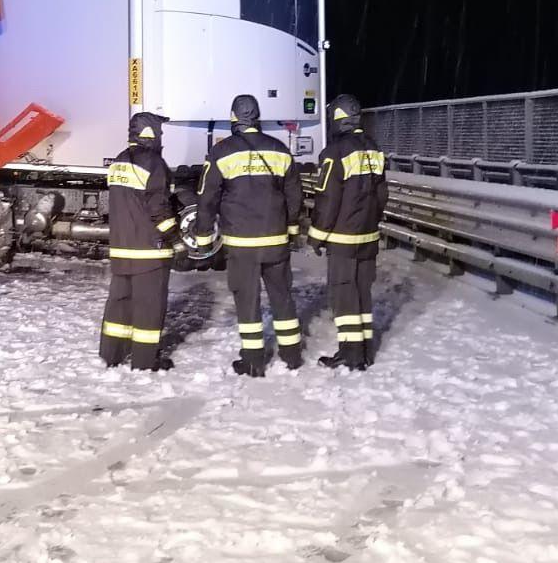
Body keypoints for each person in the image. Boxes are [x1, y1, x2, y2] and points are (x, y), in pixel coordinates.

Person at [196, 94, 305, 376]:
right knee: (282, 297)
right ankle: (292, 355)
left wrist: (204, 236)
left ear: (234, 118)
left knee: (248, 301)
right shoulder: (279, 149)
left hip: (241, 244)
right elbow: (294, 195)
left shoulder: (222, 152)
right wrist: (291, 228)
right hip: (276, 241)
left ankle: (254, 360)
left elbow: (207, 197)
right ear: (257, 116)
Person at [309, 95, 389, 370]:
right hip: (368, 236)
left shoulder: (335, 152)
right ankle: (365, 350)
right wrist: (371, 222)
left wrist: (317, 234)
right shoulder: (373, 149)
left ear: (336, 119)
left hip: (343, 239)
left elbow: (328, 200)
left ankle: (351, 354)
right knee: (362, 292)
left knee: (344, 294)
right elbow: (381, 195)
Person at [101, 111, 184, 371]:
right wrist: (175, 239)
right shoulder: (154, 164)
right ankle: (145, 361)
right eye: (160, 132)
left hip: (121, 248)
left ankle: (112, 355)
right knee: (149, 306)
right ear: (151, 134)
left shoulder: (118, 162)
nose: (162, 138)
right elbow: (158, 208)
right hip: (149, 251)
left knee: (119, 304)